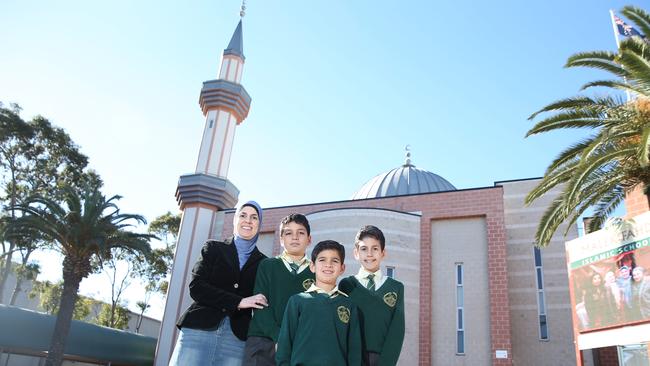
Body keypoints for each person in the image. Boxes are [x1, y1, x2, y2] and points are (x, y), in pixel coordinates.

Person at [170, 201, 269, 366]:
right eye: (243, 215)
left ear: (259, 224)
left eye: (254, 217)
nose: (248, 221)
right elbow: (197, 287)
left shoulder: (265, 264)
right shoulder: (213, 248)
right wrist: (238, 301)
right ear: (234, 219)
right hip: (198, 330)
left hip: (237, 340)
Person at [244, 213, 315, 365]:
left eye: (301, 233)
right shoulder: (267, 265)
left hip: (299, 344)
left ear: (309, 239)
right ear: (281, 240)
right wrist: (279, 337)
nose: (295, 237)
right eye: (288, 233)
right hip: (263, 340)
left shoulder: (316, 271)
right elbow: (260, 305)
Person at [276, 240, 362, 366]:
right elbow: (284, 347)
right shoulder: (297, 301)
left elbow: (354, 352)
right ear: (312, 266)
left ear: (342, 268)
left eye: (335, 261)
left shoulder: (349, 305)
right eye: (322, 260)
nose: (328, 265)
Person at [339, 225, 405, 366]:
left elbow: (397, 331)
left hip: (382, 359)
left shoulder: (396, 287)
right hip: (352, 359)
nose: (369, 254)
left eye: (375, 248)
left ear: (383, 253)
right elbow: (343, 327)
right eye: (364, 249)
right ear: (356, 253)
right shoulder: (346, 285)